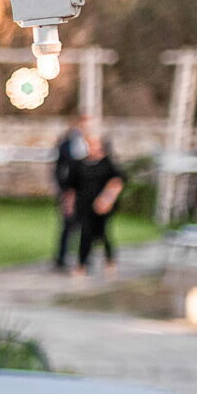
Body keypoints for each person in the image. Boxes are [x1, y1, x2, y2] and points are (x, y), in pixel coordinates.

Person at [68, 125, 126, 278]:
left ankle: (110, 259)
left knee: (102, 233)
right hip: (84, 204)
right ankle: (82, 264)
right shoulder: (79, 164)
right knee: (85, 232)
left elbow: (118, 181)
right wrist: (69, 203)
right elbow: (72, 185)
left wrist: (106, 199)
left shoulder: (107, 163)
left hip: (102, 205)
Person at [52, 114, 94, 270]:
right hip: (70, 190)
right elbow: (59, 168)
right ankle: (62, 257)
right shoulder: (66, 144)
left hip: (87, 191)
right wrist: (65, 190)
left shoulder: (95, 144)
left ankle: (84, 257)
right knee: (68, 224)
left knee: (87, 225)